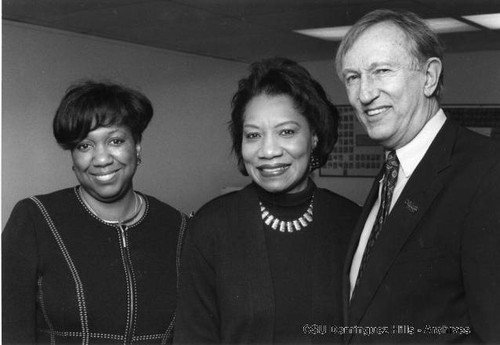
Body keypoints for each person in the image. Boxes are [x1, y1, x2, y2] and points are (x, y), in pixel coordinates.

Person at [335, 9, 500, 344]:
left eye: (381, 71)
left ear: (429, 77)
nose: (364, 94)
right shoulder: (392, 173)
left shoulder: (488, 172)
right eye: (353, 77)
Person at [173, 57, 360, 344]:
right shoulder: (211, 227)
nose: (268, 150)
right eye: (253, 135)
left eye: (286, 132)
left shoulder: (352, 222)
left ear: (314, 137)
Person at [2, 80, 188, 344]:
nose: (101, 159)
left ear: (136, 146)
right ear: (73, 157)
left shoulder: (177, 226)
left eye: (115, 140)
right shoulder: (35, 218)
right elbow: (11, 332)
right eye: (84, 146)